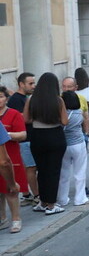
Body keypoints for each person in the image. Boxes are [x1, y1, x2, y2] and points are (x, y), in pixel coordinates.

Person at [24, 72, 68, 215]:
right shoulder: (58, 100)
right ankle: (51, 204)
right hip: (55, 135)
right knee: (53, 171)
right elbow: (64, 121)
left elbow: (26, 119)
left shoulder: (31, 99)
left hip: (37, 136)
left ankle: (42, 202)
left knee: (41, 170)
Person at [9, 72, 38, 206]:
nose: (33, 86)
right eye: (30, 83)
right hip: (24, 140)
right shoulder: (16, 99)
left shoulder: (26, 97)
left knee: (32, 167)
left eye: (34, 83)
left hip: (31, 137)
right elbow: (19, 117)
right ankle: (36, 196)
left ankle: (27, 194)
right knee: (30, 167)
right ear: (21, 84)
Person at [57, 91, 89, 207]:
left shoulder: (61, 114)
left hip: (65, 145)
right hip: (78, 143)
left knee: (64, 172)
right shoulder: (79, 113)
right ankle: (80, 198)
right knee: (80, 171)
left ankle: (62, 199)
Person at [0, 87, 25, 232]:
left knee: (11, 189)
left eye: (1, 96)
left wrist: (7, 134)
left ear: (6, 98)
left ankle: (16, 218)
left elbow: (23, 134)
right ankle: (2, 218)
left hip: (10, 155)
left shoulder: (14, 114)